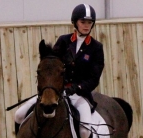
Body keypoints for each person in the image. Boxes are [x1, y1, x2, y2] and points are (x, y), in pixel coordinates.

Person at [14, 4, 104, 138]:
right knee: (19, 114)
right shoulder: (64, 40)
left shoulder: (96, 47)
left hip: (79, 95)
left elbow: (94, 77)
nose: (86, 25)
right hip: (56, 91)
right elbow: (52, 66)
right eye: (83, 22)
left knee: (85, 131)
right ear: (75, 22)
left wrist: (78, 87)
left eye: (89, 23)